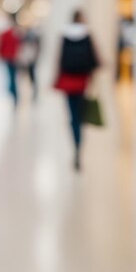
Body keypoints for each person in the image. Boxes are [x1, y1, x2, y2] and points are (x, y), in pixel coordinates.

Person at [54, 10, 99, 171]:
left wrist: (55, 78)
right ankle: (79, 143)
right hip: (82, 80)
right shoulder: (87, 35)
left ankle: (75, 139)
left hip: (67, 80)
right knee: (80, 113)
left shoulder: (65, 35)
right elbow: (95, 59)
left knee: (72, 113)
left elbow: (59, 59)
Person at [0, 15, 22, 105]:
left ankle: (12, 90)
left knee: (11, 75)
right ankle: (12, 90)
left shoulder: (8, 33)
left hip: (10, 57)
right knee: (12, 75)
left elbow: (1, 44)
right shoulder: (16, 33)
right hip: (12, 57)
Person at [18, 27, 41, 100]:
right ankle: (27, 92)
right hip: (27, 59)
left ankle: (33, 91)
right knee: (27, 76)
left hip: (30, 60)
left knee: (31, 76)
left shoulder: (32, 40)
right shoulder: (25, 39)